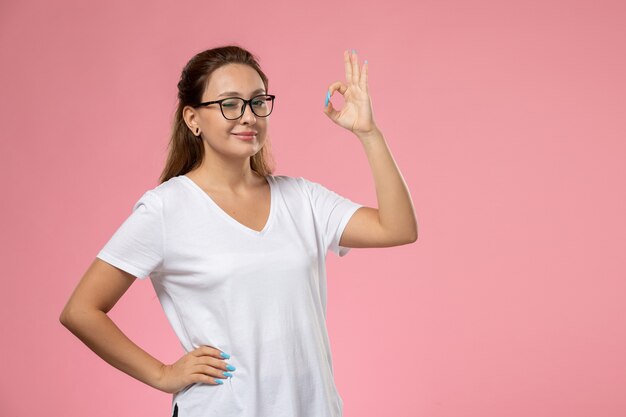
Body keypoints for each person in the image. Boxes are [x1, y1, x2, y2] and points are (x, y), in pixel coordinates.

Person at [59, 44, 417, 417]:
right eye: (230, 104)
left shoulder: (302, 199)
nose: (248, 117)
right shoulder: (167, 209)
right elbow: (81, 310)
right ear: (193, 119)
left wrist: (369, 133)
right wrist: (163, 374)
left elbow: (398, 228)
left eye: (258, 102)